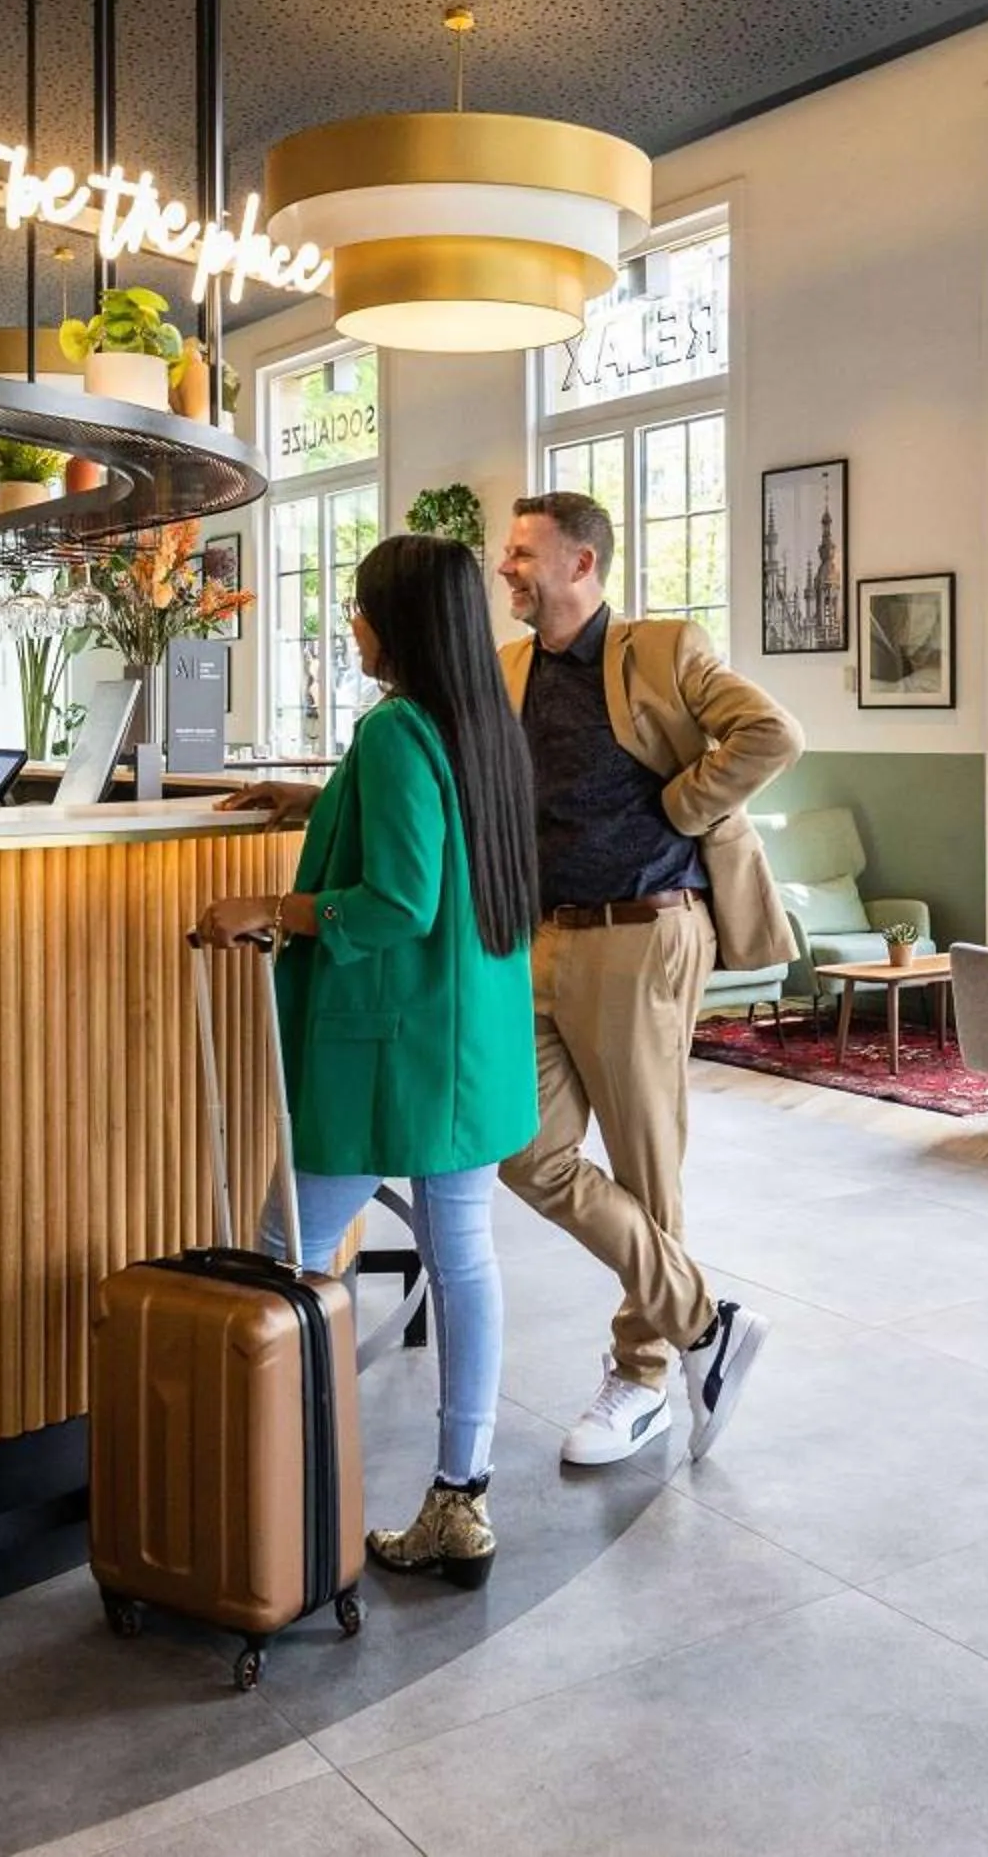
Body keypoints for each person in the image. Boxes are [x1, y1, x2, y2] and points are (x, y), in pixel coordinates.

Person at [204, 535, 537, 1588]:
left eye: (358, 606)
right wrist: (318, 802)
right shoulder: (481, 723)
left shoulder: (395, 729)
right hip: (468, 1035)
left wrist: (273, 908)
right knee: (464, 1256)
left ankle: (278, 1495)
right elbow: (426, 836)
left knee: (282, 1249)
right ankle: (460, 1496)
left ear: (399, 623)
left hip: (394, 1042)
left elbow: (397, 900)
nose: (349, 623)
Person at [495, 491, 800, 1465]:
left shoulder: (663, 650)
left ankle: (644, 1376)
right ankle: (707, 1323)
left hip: (644, 931)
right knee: (525, 1153)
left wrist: (681, 805)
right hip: (543, 937)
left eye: (522, 552)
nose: (506, 568)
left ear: (581, 564)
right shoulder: (508, 668)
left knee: (644, 1163)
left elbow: (771, 734)